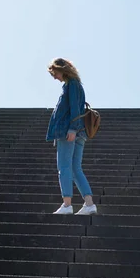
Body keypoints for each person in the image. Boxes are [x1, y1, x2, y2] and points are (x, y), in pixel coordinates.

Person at [46, 58, 97, 215]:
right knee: (75, 168)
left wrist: (72, 129)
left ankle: (67, 205)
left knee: (64, 167)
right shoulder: (74, 84)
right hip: (78, 132)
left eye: (55, 73)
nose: (55, 77)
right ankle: (89, 204)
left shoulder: (72, 84)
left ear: (63, 69)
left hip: (70, 131)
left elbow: (75, 108)